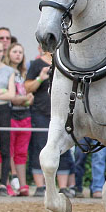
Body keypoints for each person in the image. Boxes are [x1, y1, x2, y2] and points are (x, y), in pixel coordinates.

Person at [25, 47, 75, 196]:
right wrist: (40, 77)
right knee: (39, 148)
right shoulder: (36, 64)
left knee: (63, 149)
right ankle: (41, 187)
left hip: (63, 113)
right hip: (41, 113)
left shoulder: (65, 61)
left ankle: (63, 187)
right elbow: (27, 87)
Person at [1, 43, 34, 195]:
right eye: (14, 51)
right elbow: (12, 97)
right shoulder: (5, 72)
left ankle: (22, 185)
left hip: (25, 115)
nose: (18, 55)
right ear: (8, 54)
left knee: (21, 152)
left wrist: (27, 98)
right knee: (7, 151)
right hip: (10, 114)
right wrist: (23, 98)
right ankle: (7, 184)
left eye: (20, 52)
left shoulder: (24, 72)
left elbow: (25, 94)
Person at [0, 42, 15, 195]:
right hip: (1, 103)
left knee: (5, 147)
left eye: (0, 51)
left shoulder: (9, 70)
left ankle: (3, 183)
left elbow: (12, 95)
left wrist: (5, 93)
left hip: (3, 109)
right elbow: (6, 92)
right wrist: (1, 91)